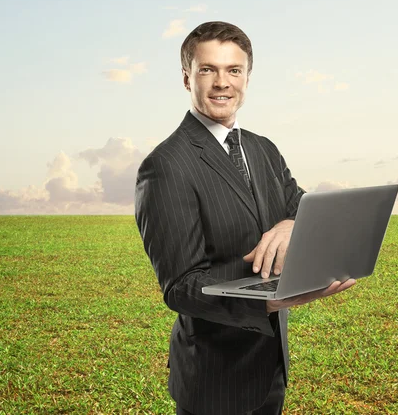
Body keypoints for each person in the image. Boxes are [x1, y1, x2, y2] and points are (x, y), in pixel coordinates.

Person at [134, 21, 356, 415]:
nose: (222, 82)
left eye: (233, 70)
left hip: (270, 366)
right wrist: (271, 301)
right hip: (213, 381)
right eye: (208, 70)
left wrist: (291, 225)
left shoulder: (263, 149)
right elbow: (181, 288)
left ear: (247, 78)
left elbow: (302, 208)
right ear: (187, 78)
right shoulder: (166, 166)